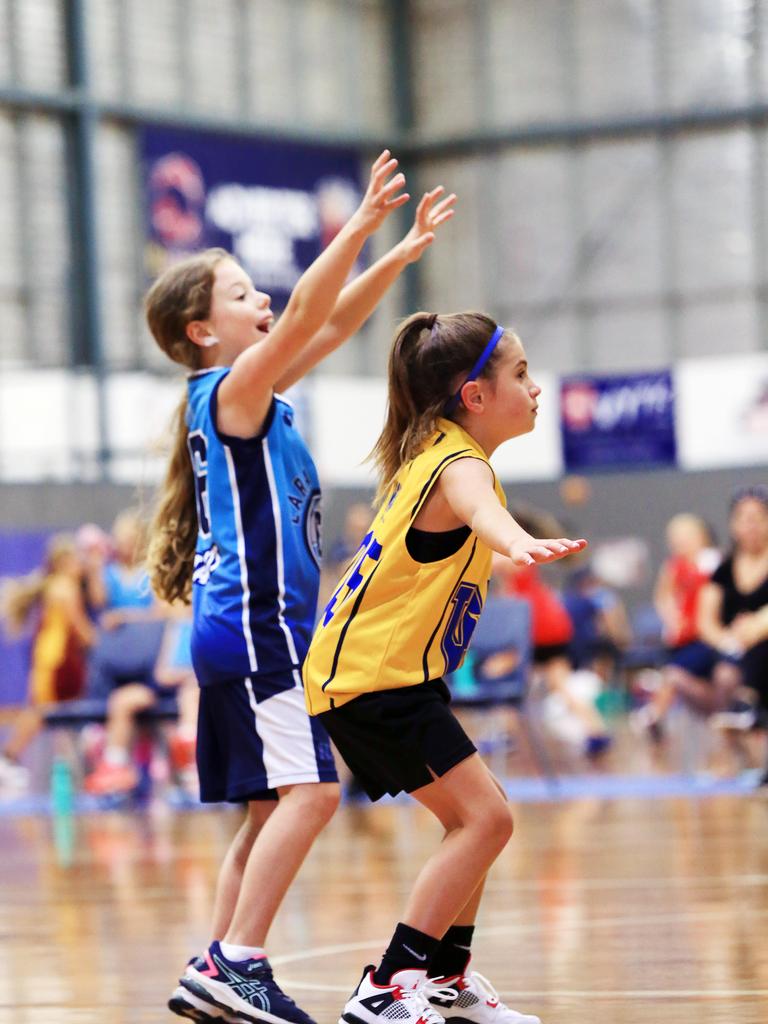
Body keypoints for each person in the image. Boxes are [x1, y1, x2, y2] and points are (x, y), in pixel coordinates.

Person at [145, 151, 457, 1024]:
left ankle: (215, 961)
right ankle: (236, 962)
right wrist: (355, 227)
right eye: (241, 293)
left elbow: (327, 329)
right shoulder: (234, 388)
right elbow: (310, 317)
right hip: (256, 627)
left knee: (265, 812)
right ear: (203, 330)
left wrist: (395, 259)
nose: (261, 302)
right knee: (314, 793)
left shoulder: (254, 393)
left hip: (234, 628)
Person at [303, 311, 587, 1024]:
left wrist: (508, 542)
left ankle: (446, 978)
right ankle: (390, 985)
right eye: (520, 374)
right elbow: (479, 509)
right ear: (475, 395)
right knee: (486, 821)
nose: (535, 388)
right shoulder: (459, 465)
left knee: (479, 816)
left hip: (383, 677)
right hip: (371, 681)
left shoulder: (431, 449)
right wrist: (515, 539)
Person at [0, 534, 95, 791]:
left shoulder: (55, 584)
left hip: (51, 658)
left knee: (58, 714)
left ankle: (73, 766)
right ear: (64, 561)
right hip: (58, 661)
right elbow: (80, 628)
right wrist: (105, 645)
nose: (82, 564)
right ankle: (7, 758)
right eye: (77, 558)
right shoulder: (65, 586)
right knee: (42, 712)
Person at [697, 486, 768, 781]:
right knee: (698, 668)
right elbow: (705, 620)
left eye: (757, 518)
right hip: (731, 650)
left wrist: (755, 628)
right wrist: (729, 640)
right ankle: (733, 751)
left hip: (761, 645)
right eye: (743, 518)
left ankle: (749, 707)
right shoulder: (724, 569)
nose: (750, 525)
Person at [632, 513, 720, 741]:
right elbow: (663, 597)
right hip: (682, 639)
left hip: (707, 637)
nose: (681, 542)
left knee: (673, 675)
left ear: (701, 536)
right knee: (672, 673)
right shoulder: (674, 566)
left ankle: (655, 713)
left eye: (686, 536)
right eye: (676, 538)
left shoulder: (713, 562)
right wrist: (672, 618)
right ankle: (657, 714)